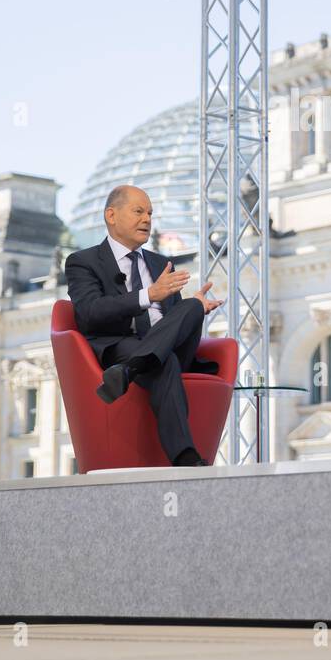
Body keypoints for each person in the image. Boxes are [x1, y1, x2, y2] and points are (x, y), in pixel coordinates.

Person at [65, 185, 223, 467]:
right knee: (165, 362)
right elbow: (90, 313)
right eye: (138, 211)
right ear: (111, 215)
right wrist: (148, 295)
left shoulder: (161, 263)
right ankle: (186, 457)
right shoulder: (83, 262)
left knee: (192, 305)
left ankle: (130, 371)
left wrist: (196, 307)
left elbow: (174, 317)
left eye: (150, 213)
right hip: (122, 345)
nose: (147, 219)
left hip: (161, 346)